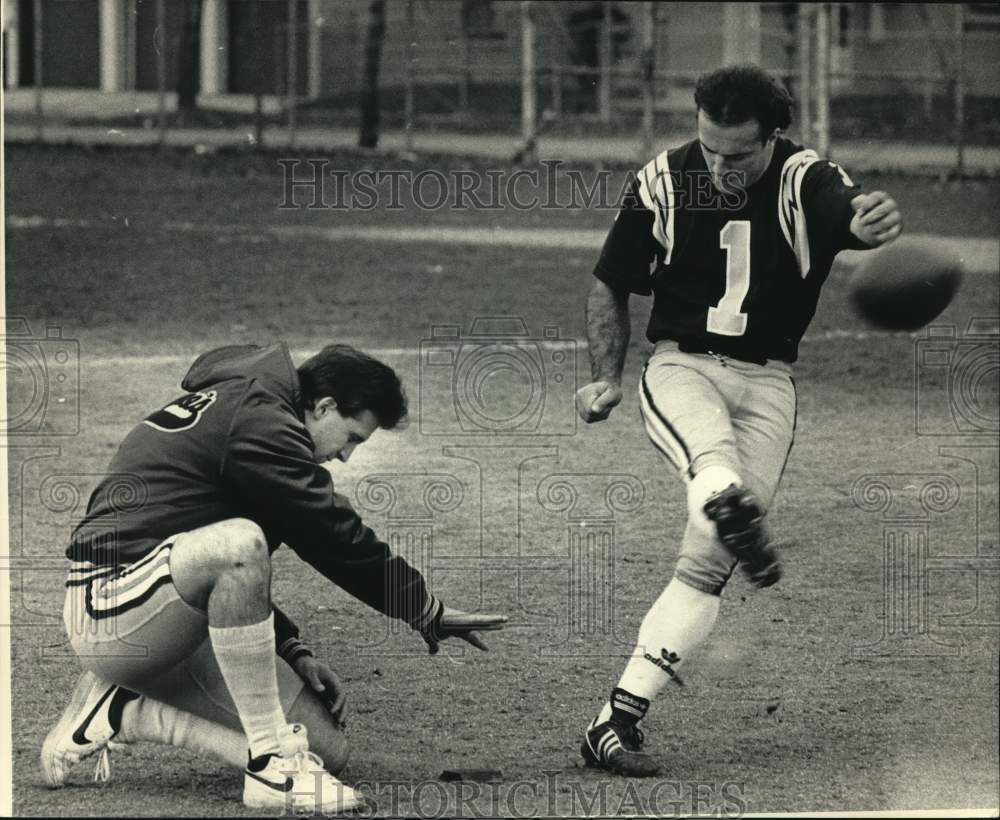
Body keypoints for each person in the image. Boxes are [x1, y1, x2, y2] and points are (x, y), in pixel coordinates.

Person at [575, 65, 902, 776]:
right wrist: (605, 375)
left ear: (773, 138)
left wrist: (868, 221)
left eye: (739, 154)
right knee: (715, 466)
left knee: (713, 555)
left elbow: (842, 206)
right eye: (710, 148)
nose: (720, 166)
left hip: (769, 381)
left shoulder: (800, 176)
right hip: (681, 365)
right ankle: (726, 498)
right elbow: (611, 278)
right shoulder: (664, 178)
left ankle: (615, 718)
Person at [41, 342, 507, 812]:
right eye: (350, 437)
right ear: (323, 406)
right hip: (107, 608)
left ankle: (125, 710)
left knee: (326, 749)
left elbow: (217, 567)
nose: (345, 456)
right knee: (239, 544)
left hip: (167, 608)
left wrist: (290, 647)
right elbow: (328, 532)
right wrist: (421, 608)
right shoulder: (261, 419)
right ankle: (269, 768)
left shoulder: (253, 413)